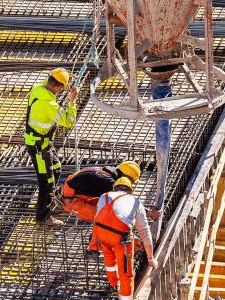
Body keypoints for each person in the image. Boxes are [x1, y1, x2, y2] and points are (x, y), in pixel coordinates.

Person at [24, 68, 78, 226]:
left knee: (56, 168)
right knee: (46, 182)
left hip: (45, 143)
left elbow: (56, 79)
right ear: (58, 87)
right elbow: (69, 121)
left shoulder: (38, 88)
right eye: (62, 88)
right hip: (39, 147)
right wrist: (72, 101)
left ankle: (51, 199)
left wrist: (67, 78)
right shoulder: (48, 104)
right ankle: (43, 216)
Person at [59, 161, 142, 259]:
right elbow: (124, 201)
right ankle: (92, 248)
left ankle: (96, 240)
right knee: (104, 219)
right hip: (71, 201)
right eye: (131, 181)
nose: (131, 184)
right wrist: (145, 213)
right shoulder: (108, 182)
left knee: (108, 209)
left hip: (75, 193)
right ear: (126, 176)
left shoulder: (110, 173)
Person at [93, 177, 156, 300]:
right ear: (130, 190)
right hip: (120, 238)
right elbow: (145, 233)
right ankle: (125, 298)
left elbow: (100, 216)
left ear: (114, 188)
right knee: (126, 274)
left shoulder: (103, 196)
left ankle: (113, 284)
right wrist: (150, 258)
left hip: (100, 233)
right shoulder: (135, 202)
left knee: (109, 259)